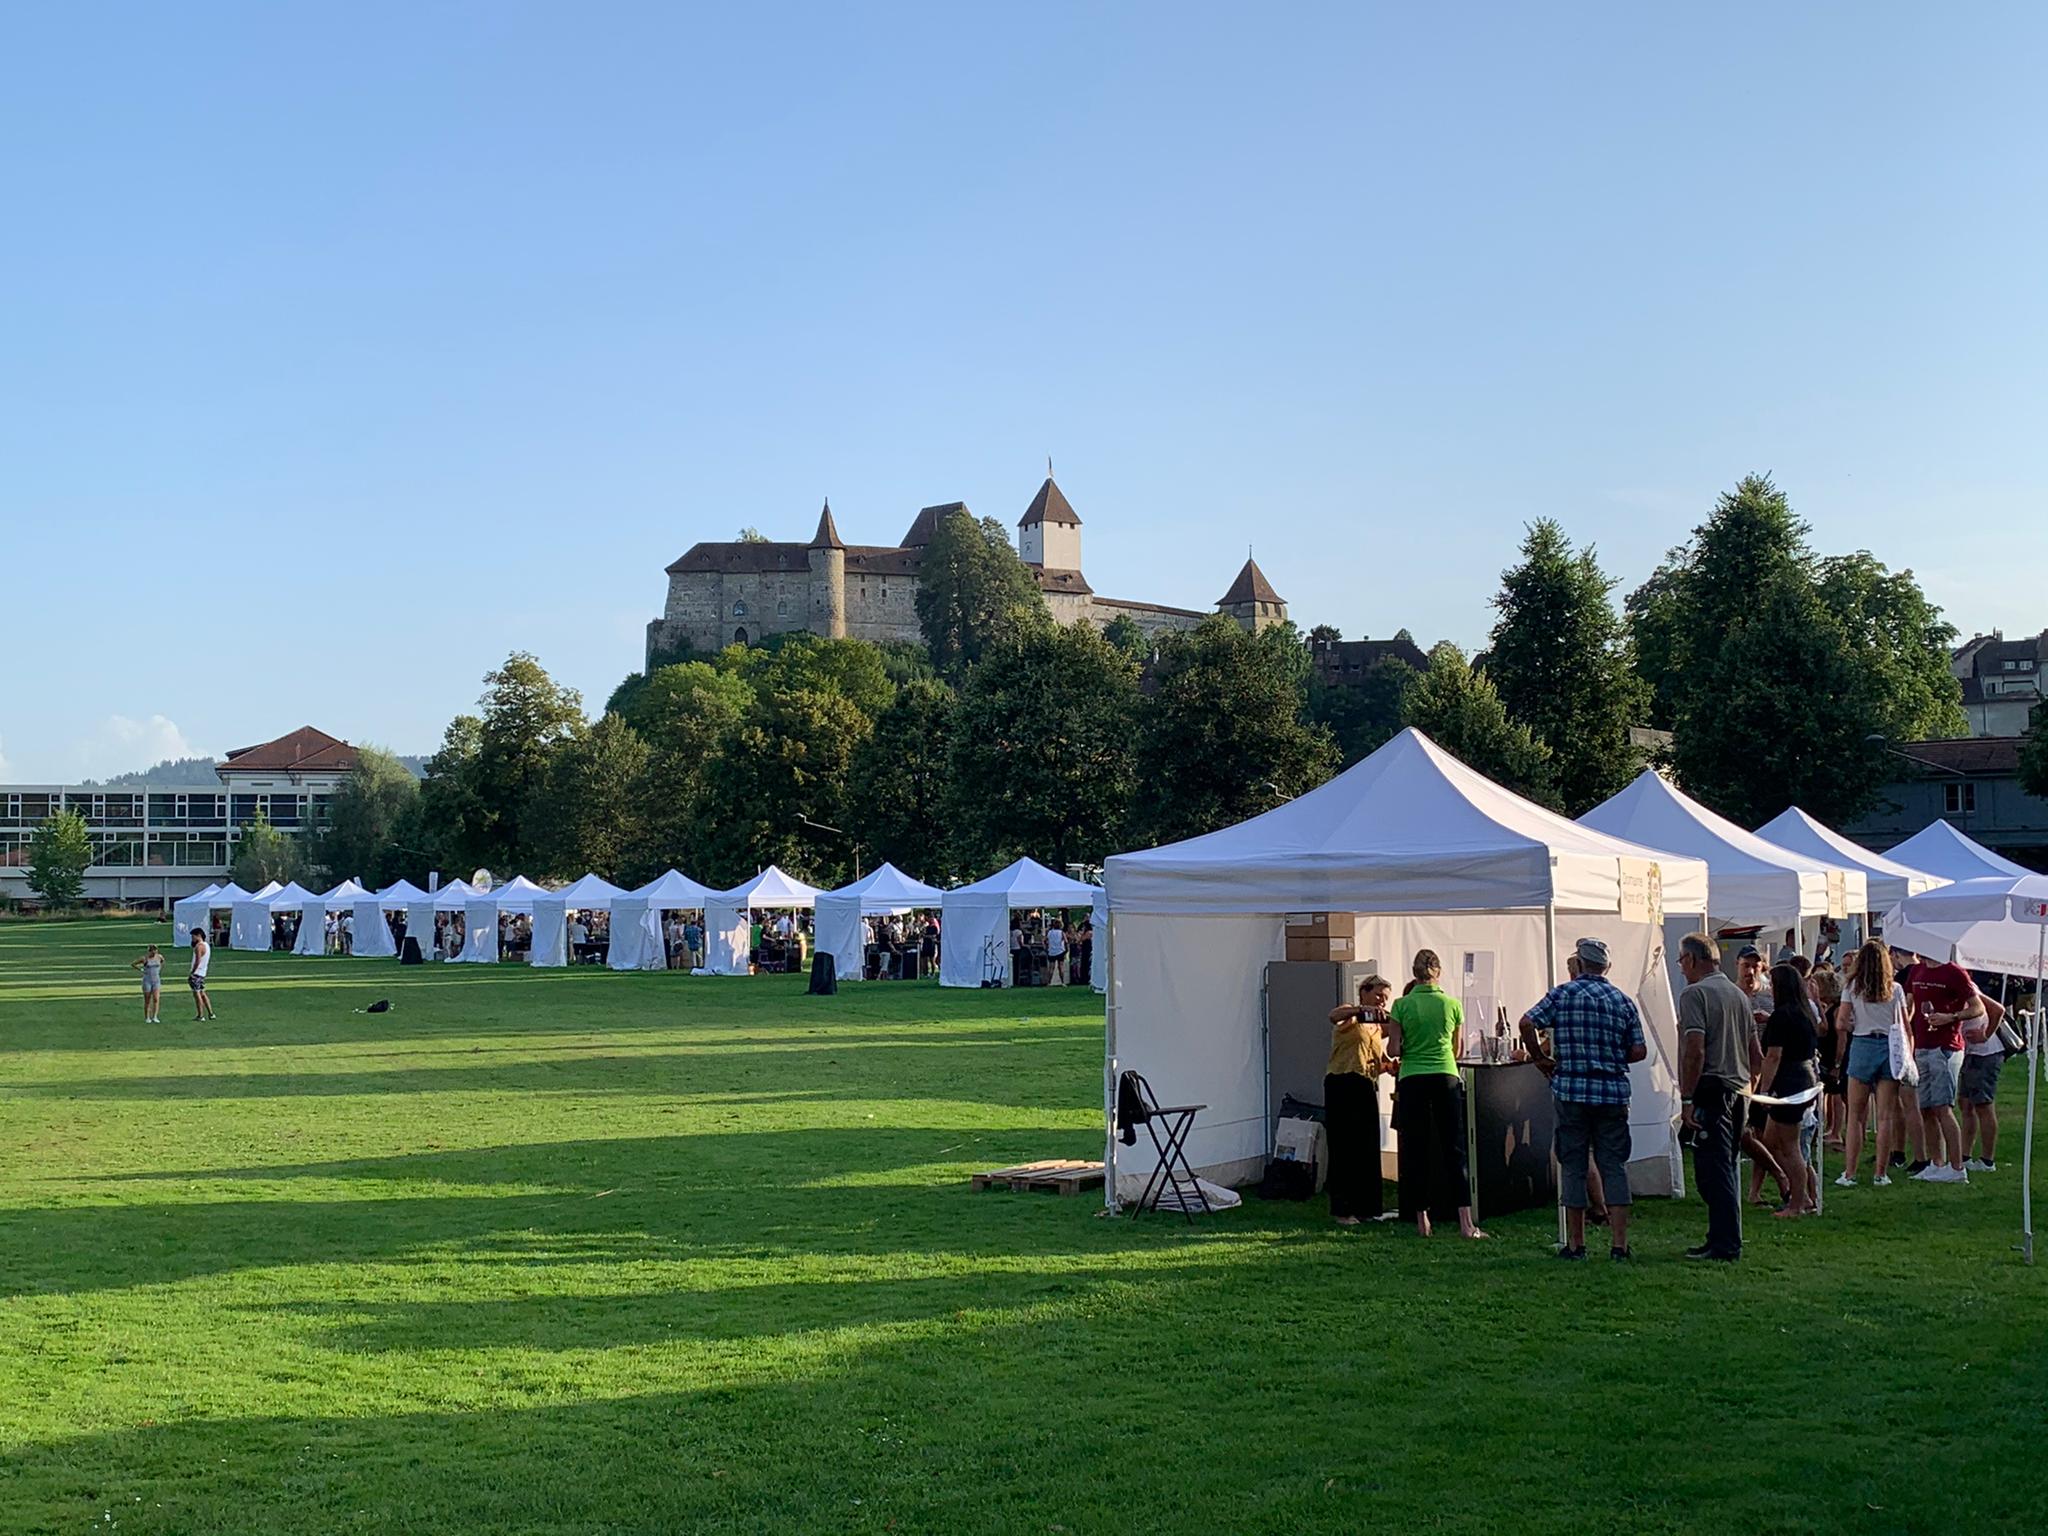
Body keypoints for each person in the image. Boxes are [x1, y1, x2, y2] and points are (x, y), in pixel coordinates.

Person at [1518, 937, 1647, 1261]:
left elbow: (1526, 1022)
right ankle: (1619, 1244)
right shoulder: (1622, 1000)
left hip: (1571, 1090)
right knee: (1613, 1166)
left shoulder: (1562, 994)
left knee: (1573, 1166)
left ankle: (1576, 1244)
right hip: (1612, 1092)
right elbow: (1639, 1050)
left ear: (1579, 962)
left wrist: (1539, 1058)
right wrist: (1610, 1055)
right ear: (1607, 967)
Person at [1385, 949, 1486, 1239]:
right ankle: (1466, 1222)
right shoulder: (1452, 1004)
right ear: (1438, 972)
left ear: (1414, 973)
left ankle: (1422, 1220)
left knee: (1416, 1149)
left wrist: (1409, 1047)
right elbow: (1457, 1050)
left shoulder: (1401, 1005)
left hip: (1413, 1078)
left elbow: (1393, 1049)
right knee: (1454, 1148)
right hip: (1445, 1076)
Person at [1677, 933, 1755, 1261]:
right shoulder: (1738, 995)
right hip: (1738, 1089)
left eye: (1682, 960)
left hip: (1712, 1088)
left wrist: (1687, 1098)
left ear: (1693, 960)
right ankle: (1720, 1237)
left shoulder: (1695, 994)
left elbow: (1694, 1049)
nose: (1681, 967)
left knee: (1714, 1171)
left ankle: (1726, 1244)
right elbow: (1755, 1052)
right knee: (1726, 1166)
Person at [1901, 950, 1984, 1183]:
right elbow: (1910, 1004)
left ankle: (1957, 1167)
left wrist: (1952, 1016)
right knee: (1925, 1108)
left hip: (1946, 1047)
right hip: (1922, 1045)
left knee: (1942, 1106)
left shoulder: (1954, 972)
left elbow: (1977, 1007)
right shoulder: (1916, 971)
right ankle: (1937, 1163)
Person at [1836, 941, 1908, 1186]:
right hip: (1889, 1044)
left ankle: (1850, 1172)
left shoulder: (1852, 987)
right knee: (1886, 1115)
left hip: (1863, 1043)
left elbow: (1840, 1022)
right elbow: (1905, 1026)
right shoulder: (1895, 989)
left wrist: (1857, 1024)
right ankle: (1881, 1173)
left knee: (1855, 1115)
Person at [1324, 975, 1395, 1226]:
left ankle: (1368, 1208)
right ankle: (1343, 1210)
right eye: (1377, 995)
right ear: (1363, 993)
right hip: (1342, 1083)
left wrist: (1390, 1066)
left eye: (1385, 998)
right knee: (1344, 1147)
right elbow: (1333, 1015)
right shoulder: (1350, 1016)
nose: (1381, 1002)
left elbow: (1379, 1062)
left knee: (1366, 1146)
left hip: (1366, 1084)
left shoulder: (1376, 1029)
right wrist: (1362, 1010)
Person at [1756, 963, 1820, 1216]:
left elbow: (1773, 1055)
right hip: (1804, 1076)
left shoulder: (1782, 1015)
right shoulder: (1805, 1012)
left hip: (1787, 1081)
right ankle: (1801, 1194)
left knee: (1789, 1146)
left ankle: (1797, 1204)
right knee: (1771, 1142)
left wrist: (1764, 1089)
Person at [1735, 945, 1793, 1209]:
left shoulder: (1770, 996)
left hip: (1764, 1068)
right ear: (1737, 966)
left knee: (1760, 1133)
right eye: (1746, 965)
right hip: (1738, 1066)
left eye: (1755, 966)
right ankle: (1767, 1185)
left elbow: (1782, 1026)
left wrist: (1768, 1020)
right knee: (1749, 1132)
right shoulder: (1732, 995)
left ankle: (1755, 1190)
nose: (1750, 971)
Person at [1961, 994, 2009, 1172]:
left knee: (1983, 1105)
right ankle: (1965, 1156)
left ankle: (1987, 1160)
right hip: (1970, 1054)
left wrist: (1985, 1035)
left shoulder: (1969, 987)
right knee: (1966, 1105)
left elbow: (1998, 1009)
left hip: (1985, 1053)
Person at [1809, 965, 1846, 1150]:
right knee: (1827, 1094)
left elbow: (1841, 1037)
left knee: (1836, 1094)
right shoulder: (1826, 1007)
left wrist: (1838, 1063)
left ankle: (1836, 1131)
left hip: (1833, 1056)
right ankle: (1828, 1127)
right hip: (1824, 1054)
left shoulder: (1837, 1009)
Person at [188, 924, 217, 1022]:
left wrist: (192, 972)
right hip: (202, 973)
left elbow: (197, 961)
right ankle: (211, 1013)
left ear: (198, 936)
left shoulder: (199, 947)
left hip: (197, 973)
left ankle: (201, 1015)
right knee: (203, 993)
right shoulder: (206, 945)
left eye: (193, 936)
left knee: (197, 995)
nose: (192, 939)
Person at [130, 943, 163, 1024]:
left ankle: (155, 1016)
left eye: (155, 951)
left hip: (156, 980)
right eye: (152, 952)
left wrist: (159, 970)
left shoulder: (159, 957)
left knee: (156, 998)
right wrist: (141, 970)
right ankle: (147, 1017)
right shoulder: (145, 959)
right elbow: (133, 964)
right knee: (147, 999)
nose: (154, 953)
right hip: (147, 980)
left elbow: (162, 962)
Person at [1045, 917, 1068, 986]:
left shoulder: (1049, 932)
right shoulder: (1061, 933)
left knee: (1051, 967)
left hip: (1051, 951)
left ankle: (1049, 982)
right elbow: (1066, 941)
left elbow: (1045, 940)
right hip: (1060, 951)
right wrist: (1066, 949)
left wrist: (1046, 947)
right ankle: (1062, 982)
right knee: (1060, 967)